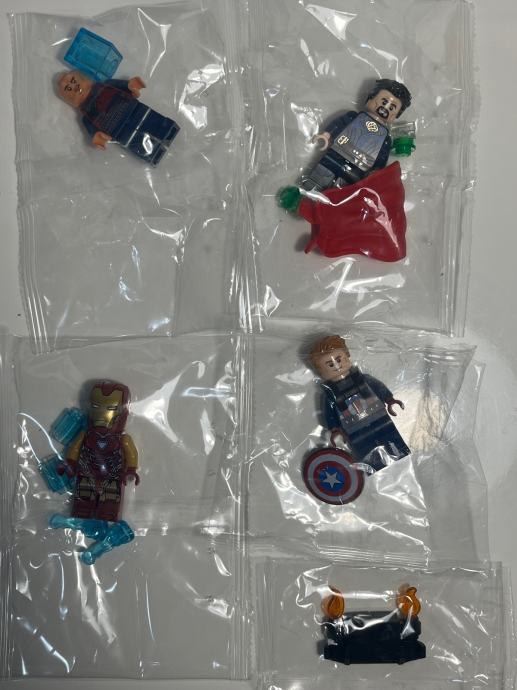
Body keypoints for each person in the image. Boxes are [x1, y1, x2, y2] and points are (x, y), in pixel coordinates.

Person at [309, 335, 410, 471]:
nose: (337, 366)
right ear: (321, 371)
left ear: (347, 356)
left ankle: (402, 455)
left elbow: (378, 387)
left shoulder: (363, 380)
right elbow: (330, 413)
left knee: (393, 439)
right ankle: (374, 468)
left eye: (339, 360)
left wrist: (389, 399)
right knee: (366, 452)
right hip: (354, 429)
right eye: (330, 365)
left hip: (380, 419)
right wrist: (335, 429)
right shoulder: (330, 395)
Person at [302, 78, 411, 190]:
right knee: (318, 178)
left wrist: (375, 172)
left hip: (356, 171)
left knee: (340, 191)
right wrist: (326, 135)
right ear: (371, 98)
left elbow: (381, 159)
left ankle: (325, 200)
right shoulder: (353, 117)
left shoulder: (385, 139)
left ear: (395, 116)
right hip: (335, 156)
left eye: (392, 108)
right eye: (384, 102)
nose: (385, 108)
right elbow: (339, 124)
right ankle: (306, 193)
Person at [57, 69, 180, 165]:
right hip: (119, 131)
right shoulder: (85, 115)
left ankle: (169, 130)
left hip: (135, 110)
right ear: (70, 100)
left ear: (84, 78)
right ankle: (154, 154)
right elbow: (92, 130)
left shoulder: (106, 85)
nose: (75, 87)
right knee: (136, 143)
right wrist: (97, 137)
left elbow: (122, 85)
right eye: (68, 89)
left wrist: (130, 86)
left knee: (153, 121)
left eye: (74, 81)